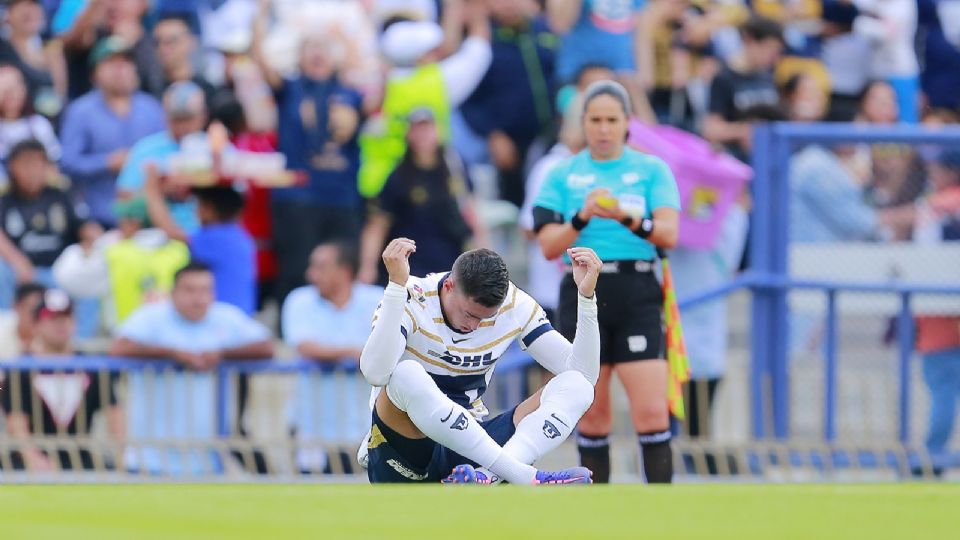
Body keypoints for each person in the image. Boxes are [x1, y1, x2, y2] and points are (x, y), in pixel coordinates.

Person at [533, 80, 681, 484]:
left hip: (636, 291)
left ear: (627, 123)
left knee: (651, 410)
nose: (603, 129)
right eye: (595, 120)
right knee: (592, 411)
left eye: (611, 120)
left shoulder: (651, 169)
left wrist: (624, 217)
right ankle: (596, 513)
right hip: (583, 292)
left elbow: (669, 233)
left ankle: (662, 515)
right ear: (583, 123)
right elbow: (547, 244)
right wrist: (582, 216)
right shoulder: (562, 173)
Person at [359, 240, 601, 484]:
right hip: (405, 446)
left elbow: (584, 376)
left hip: (469, 452)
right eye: (469, 314)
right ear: (450, 286)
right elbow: (375, 373)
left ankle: (488, 478)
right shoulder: (411, 295)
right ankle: (522, 475)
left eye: (486, 318)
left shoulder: (515, 304)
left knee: (577, 386)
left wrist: (586, 297)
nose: (473, 326)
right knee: (405, 374)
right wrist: (395, 287)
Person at [109, 262, 273, 475]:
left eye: (206, 290)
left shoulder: (225, 317)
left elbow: (266, 347)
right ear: (173, 292)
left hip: (207, 460)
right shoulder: (151, 317)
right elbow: (119, 347)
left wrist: (221, 354)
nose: (199, 298)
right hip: (148, 457)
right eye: (190, 290)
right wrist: (173, 354)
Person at [251, 0, 365, 304]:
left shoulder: (351, 92)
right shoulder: (289, 89)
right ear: (298, 57)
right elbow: (260, 60)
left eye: (324, 47)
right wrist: (260, 15)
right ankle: (292, 330)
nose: (317, 53)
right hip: (298, 197)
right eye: (310, 47)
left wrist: (350, 29)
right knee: (297, 271)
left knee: (344, 270)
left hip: (342, 196)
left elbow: (372, 73)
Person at [282, 240, 383, 473]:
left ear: (344, 270)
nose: (311, 274)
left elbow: (392, 349)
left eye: (320, 267)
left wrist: (361, 356)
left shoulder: (377, 299)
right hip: (310, 423)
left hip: (364, 423)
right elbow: (305, 347)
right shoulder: (300, 300)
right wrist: (357, 354)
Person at [359, 108, 487, 285]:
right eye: (417, 129)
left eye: (427, 129)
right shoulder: (399, 175)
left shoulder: (454, 166)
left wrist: (484, 256)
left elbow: (471, 211)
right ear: (408, 134)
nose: (423, 135)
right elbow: (378, 224)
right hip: (412, 266)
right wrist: (368, 266)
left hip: (451, 261)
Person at [1, 288, 124, 472]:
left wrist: (122, 455)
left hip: (80, 457)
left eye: (66, 317)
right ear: (36, 325)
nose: (60, 324)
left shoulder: (92, 367)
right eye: (51, 318)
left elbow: (114, 415)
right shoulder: (21, 368)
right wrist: (33, 458)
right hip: (28, 460)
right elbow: (17, 423)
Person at [456, 0, 556, 208]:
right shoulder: (483, 39)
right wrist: (493, 133)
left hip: (547, 133)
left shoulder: (541, 30)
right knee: (509, 206)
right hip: (506, 142)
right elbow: (468, 97)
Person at [59, 36, 166, 226]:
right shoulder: (80, 111)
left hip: (151, 214)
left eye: (126, 63)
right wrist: (106, 162)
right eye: (111, 63)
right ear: (94, 74)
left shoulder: (151, 108)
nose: (120, 70)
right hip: (101, 215)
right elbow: (67, 163)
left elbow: (168, 151)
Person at [143, 160, 257, 315]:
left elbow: (170, 230)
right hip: (237, 315)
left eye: (198, 205)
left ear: (209, 209)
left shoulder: (216, 237)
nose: (195, 211)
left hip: (222, 319)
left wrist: (151, 190)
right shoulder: (238, 235)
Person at [0, 140, 89, 306]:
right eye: (25, 164)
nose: (31, 171)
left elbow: (84, 226)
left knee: (91, 269)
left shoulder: (62, 193)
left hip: (60, 269)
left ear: (47, 166)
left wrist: (91, 242)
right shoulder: (5, 198)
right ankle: (4, 324)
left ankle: (82, 331)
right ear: (12, 167)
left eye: (36, 163)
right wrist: (18, 262)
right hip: (19, 270)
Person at [115, 80, 209, 234]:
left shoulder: (215, 148)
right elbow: (123, 203)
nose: (183, 126)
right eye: (176, 119)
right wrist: (159, 190)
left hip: (205, 236)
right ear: (165, 117)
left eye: (188, 118)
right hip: (156, 238)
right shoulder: (145, 149)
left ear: (203, 116)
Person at [703, 15, 783, 162]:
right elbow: (711, 129)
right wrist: (743, 131)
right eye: (769, 48)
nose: (773, 57)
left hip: (769, 156)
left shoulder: (768, 76)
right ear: (749, 40)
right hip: (737, 158)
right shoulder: (724, 78)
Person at [152, 14, 217, 104]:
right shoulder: (149, 92)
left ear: (190, 42)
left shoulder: (208, 92)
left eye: (171, 41)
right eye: (157, 43)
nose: (163, 49)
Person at [0, 282, 44, 358]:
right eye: (32, 309)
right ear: (16, 306)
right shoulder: (2, 332)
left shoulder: (54, 337)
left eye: (41, 311)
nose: (36, 316)